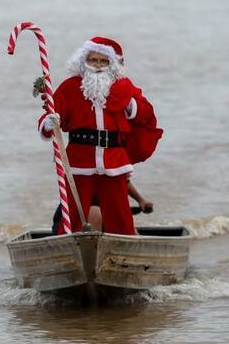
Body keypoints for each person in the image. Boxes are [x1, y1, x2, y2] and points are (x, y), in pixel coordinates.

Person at [37, 37, 162, 236]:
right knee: (73, 212)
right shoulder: (70, 87)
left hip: (113, 160)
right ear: (84, 61)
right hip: (80, 159)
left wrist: (129, 105)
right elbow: (51, 115)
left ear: (112, 64)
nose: (98, 65)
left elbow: (146, 114)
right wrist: (49, 123)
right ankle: (67, 243)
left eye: (103, 61)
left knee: (120, 215)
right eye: (93, 60)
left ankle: (125, 244)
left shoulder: (123, 87)